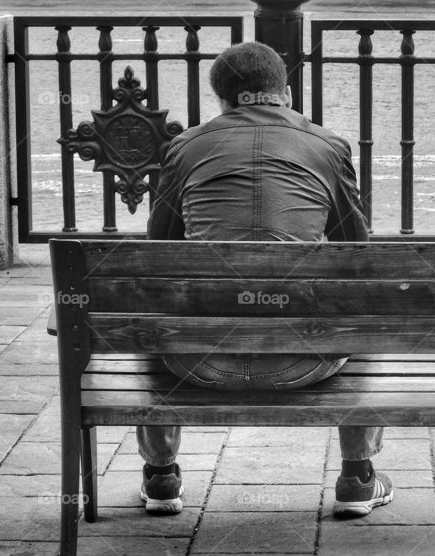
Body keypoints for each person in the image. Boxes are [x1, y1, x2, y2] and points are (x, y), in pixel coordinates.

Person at [142, 41, 391, 519]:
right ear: (286, 93)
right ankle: (357, 477)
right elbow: (357, 255)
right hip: (307, 360)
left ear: (221, 101)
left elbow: (159, 253)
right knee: (363, 306)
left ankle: (161, 476)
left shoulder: (185, 148)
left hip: (196, 360)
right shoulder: (328, 146)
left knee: (153, 307)